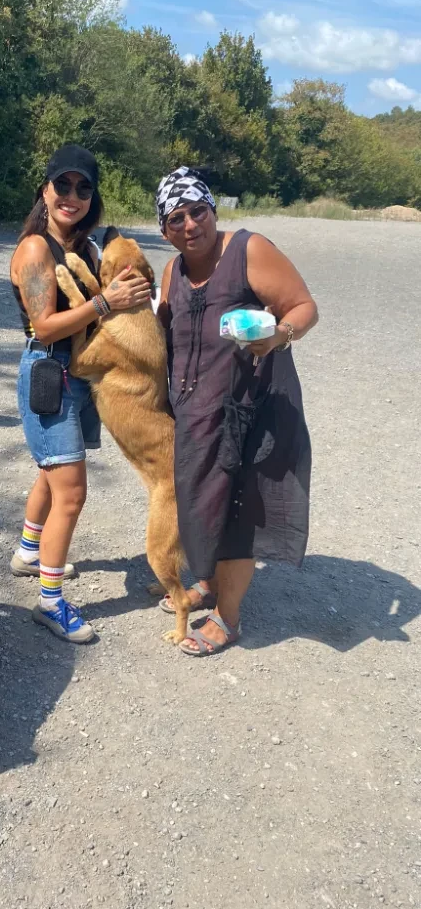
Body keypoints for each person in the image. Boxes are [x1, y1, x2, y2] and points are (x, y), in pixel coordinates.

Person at [155, 166, 318, 656]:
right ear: (164, 230)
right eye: (177, 218)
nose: (190, 224)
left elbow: (304, 307)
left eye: (198, 211)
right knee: (200, 504)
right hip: (195, 410)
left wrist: (280, 335)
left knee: (237, 512)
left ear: (213, 210)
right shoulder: (172, 271)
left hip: (249, 409)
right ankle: (208, 583)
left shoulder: (249, 250)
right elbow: (164, 331)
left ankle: (228, 617)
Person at [10, 144, 152, 643]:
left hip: (80, 372)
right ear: (44, 190)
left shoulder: (85, 248)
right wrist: (105, 302)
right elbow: (45, 326)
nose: (72, 196)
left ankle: (28, 552)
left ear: (93, 198)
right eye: (63, 185)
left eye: (83, 188)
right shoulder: (36, 249)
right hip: (49, 373)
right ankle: (50, 603)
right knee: (71, 493)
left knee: (52, 473)